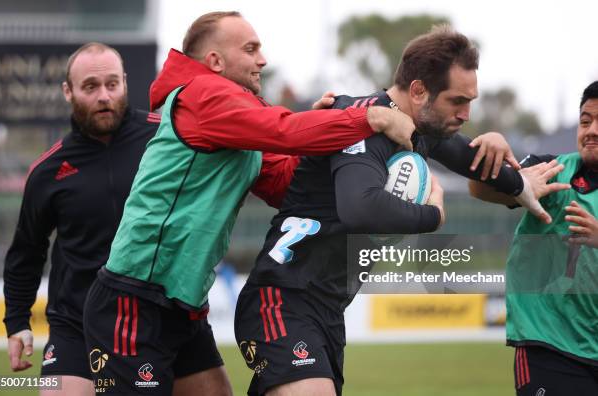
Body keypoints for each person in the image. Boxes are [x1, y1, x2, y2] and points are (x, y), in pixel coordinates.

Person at [81, 11, 424, 396]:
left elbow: (284, 183)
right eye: (250, 48)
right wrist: (367, 118)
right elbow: (282, 130)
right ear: (215, 61)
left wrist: (330, 140)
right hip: (135, 299)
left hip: (183, 307)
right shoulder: (202, 95)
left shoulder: (234, 116)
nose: (262, 59)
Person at [233, 25, 567, 396]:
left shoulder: (417, 128)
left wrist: (519, 182)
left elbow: (466, 156)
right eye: (457, 101)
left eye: (471, 101)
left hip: (326, 309)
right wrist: (434, 215)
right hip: (282, 297)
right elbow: (360, 208)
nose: (466, 113)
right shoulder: (360, 122)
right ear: (419, 90)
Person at [3, 42, 160, 395]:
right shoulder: (47, 171)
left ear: (125, 82)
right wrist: (17, 321)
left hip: (162, 317)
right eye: (90, 87)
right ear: (68, 91)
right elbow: (26, 252)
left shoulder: (163, 139)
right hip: (77, 322)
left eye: (112, 84)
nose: (104, 96)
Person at [469, 81, 598, 396]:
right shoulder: (552, 170)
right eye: (585, 121)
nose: (591, 130)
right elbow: (481, 188)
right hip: (551, 344)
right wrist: (497, 153)